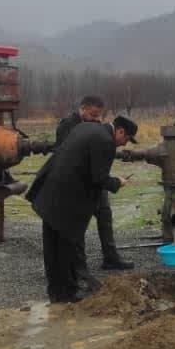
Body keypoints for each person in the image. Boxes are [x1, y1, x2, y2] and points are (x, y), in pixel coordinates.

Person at [27, 115, 139, 303]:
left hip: (51, 190)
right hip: (67, 199)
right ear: (120, 131)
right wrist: (117, 182)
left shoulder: (86, 127)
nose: (124, 144)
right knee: (65, 247)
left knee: (52, 246)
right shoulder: (106, 142)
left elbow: (84, 164)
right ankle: (67, 294)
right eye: (126, 139)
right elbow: (99, 179)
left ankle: (56, 292)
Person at [56, 96, 133, 273]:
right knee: (78, 224)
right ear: (82, 109)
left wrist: (106, 179)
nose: (97, 119)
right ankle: (79, 268)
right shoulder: (67, 126)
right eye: (93, 114)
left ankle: (111, 257)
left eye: (99, 115)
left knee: (105, 216)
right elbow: (64, 157)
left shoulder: (97, 127)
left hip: (97, 181)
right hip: (79, 184)